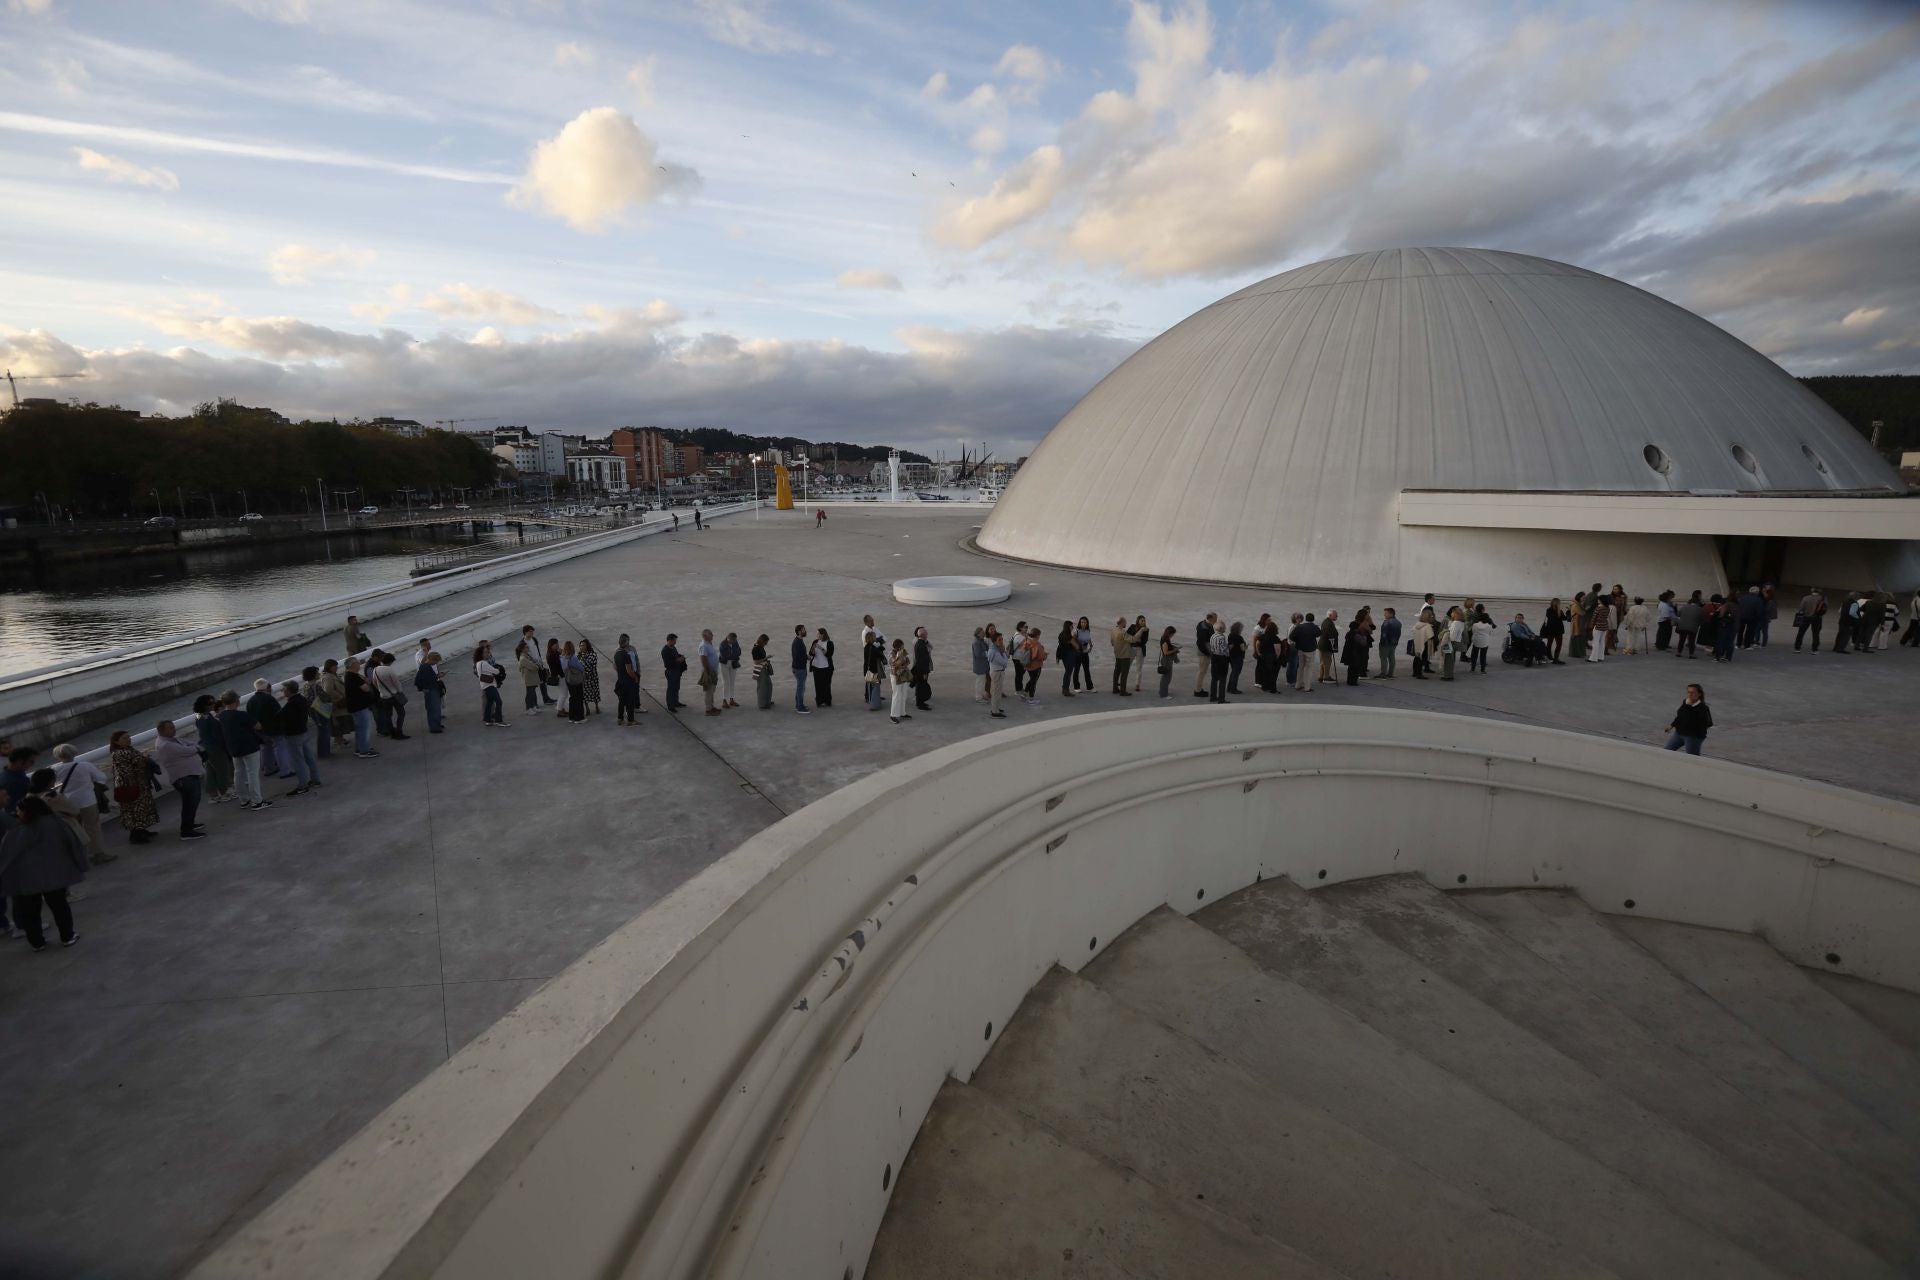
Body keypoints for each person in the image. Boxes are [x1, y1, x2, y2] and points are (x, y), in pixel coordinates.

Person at [0, 796, 88, 950]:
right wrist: (81, 864)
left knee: (30, 911)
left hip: (27, 878)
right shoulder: (57, 823)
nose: (17, 813)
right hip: (55, 874)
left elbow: (6, 856)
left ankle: (37, 942)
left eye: (19, 810)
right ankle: (67, 936)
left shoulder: (15, 830)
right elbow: (73, 844)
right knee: (60, 906)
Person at [51, 743, 113, 862]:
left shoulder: (54, 769)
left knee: (75, 829)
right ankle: (98, 854)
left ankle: (81, 856)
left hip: (68, 803)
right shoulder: (85, 765)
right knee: (93, 828)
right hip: (87, 800)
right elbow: (101, 778)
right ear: (74, 752)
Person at [152, 719, 208, 838]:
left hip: (187, 775)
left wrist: (195, 746)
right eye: (170, 728)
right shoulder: (166, 745)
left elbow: (189, 743)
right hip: (183, 778)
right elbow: (188, 750)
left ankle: (189, 825)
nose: (174, 729)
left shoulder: (171, 740)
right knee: (190, 803)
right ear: (162, 731)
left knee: (191, 802)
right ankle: (186, 831)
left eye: (173, 726)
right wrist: (198, 748)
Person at [218, 690, 270, 809]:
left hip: (233, 748)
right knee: (252, 774)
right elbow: (258, 726)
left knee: (239, 774)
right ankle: (257, 801)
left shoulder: (222, 716)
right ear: (236, 700)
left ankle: (244, 800)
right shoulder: (241, 715)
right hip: (249, 747)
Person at [108, 729, 158, 843]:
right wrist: (144, 760)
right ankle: (136, 835)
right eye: (124, 738)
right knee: (135, 809)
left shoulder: (126, 750)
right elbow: (130, 768)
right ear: (116, 742)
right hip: (131, 786)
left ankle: (141, 830)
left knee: (139, 808)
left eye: (128, 737)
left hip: (136, 785)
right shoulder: (120, 753)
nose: (128, 739)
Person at [277, 681, 320, 793]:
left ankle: (303, 785)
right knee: (309, 757)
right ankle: (315, 780)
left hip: (293, 735)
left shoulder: (291, 704)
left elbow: (280, 717)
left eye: (284, 689)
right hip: (303, 732)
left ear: (289, 691)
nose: (282, 691)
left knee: (298, 761)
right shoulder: (301, 699)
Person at [245, 679, 285, 777]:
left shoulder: (250, 701)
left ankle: (268, 769)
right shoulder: (269, 698)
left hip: (260, 731)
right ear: (268, 687)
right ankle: (285, 769)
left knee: (266, 749)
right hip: (274, 728)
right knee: (280, 747)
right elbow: (279, 713)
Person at [1664, 683, 1713, 756]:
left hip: (1693, 737)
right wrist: (1671, 726)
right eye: (1688, 692)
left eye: (1693, 692)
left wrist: (1689, 707)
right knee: (1665, 752)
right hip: (1679, 734)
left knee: (1692, 758)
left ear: (1699, 694)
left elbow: (1707, 723)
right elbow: (1680, 716)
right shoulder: (1686, 702)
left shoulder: (1703, 708)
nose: (1690, 694)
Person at [343, 657, 378, 757]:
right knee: (364, 729)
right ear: (353, 665)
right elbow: (366, 688)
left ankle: (360, 748)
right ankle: (364, 750)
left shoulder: (350, 675)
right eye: (357, 663)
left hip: (355, 706)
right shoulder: (353, 676)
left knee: (359, 729)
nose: (359, 665)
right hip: (359, 706)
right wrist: (367, 682)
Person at [373, 652, 411, 740]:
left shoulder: (375, 669)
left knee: (388, 715)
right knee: (401, 713)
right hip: (394, 696)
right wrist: (400, 692)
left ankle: (392, 732)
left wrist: (381, 690)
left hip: (383, 696)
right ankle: (399, 731)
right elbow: (396, 683)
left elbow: (374, 683)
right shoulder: (389, 670)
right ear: (390, 661)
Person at [474, 641, 509, 727]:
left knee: (489, 702)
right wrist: (498, 669)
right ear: (481, 654)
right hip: (490, 685)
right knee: (499, 701)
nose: (487, 654)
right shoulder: (484, 663)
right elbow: (496, 671)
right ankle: (499, 720)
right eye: (485, 653)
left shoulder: (478, 663)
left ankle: (488, 719)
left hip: (484, 685)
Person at [317, 659, 350, 749]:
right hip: (336, 703)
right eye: (335, 666)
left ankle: (340, 739)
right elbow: (328, 690)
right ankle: (338, 741)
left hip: (338, 702)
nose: (336, 668)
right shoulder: (327, 677)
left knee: (340, 721)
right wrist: (340, 696)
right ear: (330, 667)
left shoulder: (332, 675)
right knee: (338, 722)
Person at [522, 626, 558, 705]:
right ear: (525, 632)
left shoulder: (534, 639)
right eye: (530, 631)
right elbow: (521, 656)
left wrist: (541, 662)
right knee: (532, 686)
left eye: (532, 631)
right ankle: (533, 705)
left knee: (543, 682)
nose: (532, 633)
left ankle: (546, 699)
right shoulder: (522, 643)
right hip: (531, 667)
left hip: (539, 664)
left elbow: (537, 651)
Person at [614, 634, 643, 724]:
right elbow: (629, 670)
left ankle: (620, 718)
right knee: (630, 701)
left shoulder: (617, 654)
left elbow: (616, 667)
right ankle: (631, 720)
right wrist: (635, 677)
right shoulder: (626, 655)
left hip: (620, 680)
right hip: (628, 681)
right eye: (628, 641)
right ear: (625, 642)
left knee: (622, 701)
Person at [415, 651, 446, 734]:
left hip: (430, 689)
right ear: (432, 659)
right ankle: (434, 727)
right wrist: (438, 676)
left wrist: (436, 676)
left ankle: (436, 724)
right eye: (436, 661)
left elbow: (420, 679)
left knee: (434, 708)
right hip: (431, 690)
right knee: (434, 708)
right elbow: (427, 680)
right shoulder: (426, 667)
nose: (436, 663)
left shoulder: (424, 667)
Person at [1289, 613, 1319, 691]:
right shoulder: (1314, 627)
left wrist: (1298, 641)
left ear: (1305, 618)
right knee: (1308, 668)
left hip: (1301, 649)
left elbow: (1291, 636)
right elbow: (1319, 634)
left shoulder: (1300, 627)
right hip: (1310, 650)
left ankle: (1298, 685)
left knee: (1300, 667)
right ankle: (1307, 687)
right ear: (1313, 619)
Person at [515, 640, 546, 714]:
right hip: (529, 678)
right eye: (526, 647)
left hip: (532, 677)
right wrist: (537, 665)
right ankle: (528, 708)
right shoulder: (523, 658)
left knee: (532, 692)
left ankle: (533, 706)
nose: (528, 648)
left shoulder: (527, 656)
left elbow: (535, 663)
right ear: (522, 649)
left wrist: (536, 664)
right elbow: (534, 667)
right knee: (530, 693)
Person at [1342, 615, 1373, 686]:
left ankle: (1349, 681)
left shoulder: (1349, 633)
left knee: (1350, 668)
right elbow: (1364, 643)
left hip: (1349, 654)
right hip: (1355, 654)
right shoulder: (1356, 634)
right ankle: (1353, 682)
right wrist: (1364, 635)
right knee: (1355, 669)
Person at [887, 637, 913, 723]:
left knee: (903, 695)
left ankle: (902, 712)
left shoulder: (903, 652)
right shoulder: (892, 654)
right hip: (896, 676)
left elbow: (908, 661)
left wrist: (903, 664)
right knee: (897, 695)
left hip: (903, 675)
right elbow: (894, 664)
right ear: (898, 647)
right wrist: (901, 659)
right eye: (902, 646)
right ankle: (893, 715)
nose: (903, 647)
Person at [661, 634, 689, 712]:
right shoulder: (665, 650)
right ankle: (670, 706)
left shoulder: (673, 647)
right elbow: (667, 664)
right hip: (671, 672)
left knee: (676, 687)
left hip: (677, 671)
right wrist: (677, 660)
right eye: (674, 640)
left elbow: (675, 655)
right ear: (670, 640)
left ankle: (676, 702)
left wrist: (680, 657)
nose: (675, 642)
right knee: (671, 689)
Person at [697, 630, 722, 716]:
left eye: (712, 634)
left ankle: (711, 707)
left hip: (713, 671)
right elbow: (703, 658)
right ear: (705, 636)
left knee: (712, 690)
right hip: (709, 671)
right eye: (710, 634)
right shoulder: (703, 645)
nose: (712, 636)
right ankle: (708, 710)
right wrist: (708, 671)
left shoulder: (708, 643)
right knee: (709, 690)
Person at [1192, 612, 1217, 697]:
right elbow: (1201, 643)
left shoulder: (1203, 623)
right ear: (1210, 619)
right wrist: (1208, 654)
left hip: (1204, 651)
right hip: (1204, 653)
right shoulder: (1204, 628)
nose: (1216, 621)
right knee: (1202, 671)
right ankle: (1197, 691)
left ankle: (1198, 689)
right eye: (1215, 619)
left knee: (1202, 671)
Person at [863, 629, 888, 711]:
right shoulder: (873, 648)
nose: (875, 638)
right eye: (874, 637)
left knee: (871, 687)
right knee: (875, 688)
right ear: (871, 638)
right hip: (874, 670)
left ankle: (872, 703)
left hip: (868, 670)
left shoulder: (867, 647)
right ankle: (875, 705)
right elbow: (880, 654)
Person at [1206, 621, 1231, 703]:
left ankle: (1213, 697)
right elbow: (1224, 650)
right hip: (1222, 660)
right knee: (1222, 680)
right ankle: (1221, 699)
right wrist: (1230, 647)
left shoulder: (1212, 636)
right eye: (1224, 627)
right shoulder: (1222, 637)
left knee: (1214, 679)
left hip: (1214, 658)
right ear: (1221, 628)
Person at [986, 630, 1010, 717]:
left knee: (998, 691)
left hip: (997, 672)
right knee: (996, 692)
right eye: (1000, 639)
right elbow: (1004, 662)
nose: (1002, 641)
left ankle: (996, 708)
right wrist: (1004, 652)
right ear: (995, 641)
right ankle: (995, 711)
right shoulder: (995, 651)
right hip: (997, 673)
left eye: (1002, 639)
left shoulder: (995, 649)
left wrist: (1003, 652)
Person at [810, 628, 836, 707]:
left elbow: (829, 654)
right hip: (816, 667)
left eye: (818, 634)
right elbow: (811, 653)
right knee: (818, 685)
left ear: (822, 634)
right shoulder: (815, 642)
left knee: (826, 685)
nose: (817, 635)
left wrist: (821, 648)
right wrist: (813, 649)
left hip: (826, 668)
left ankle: (827, 701)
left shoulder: (829, 643)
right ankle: (819, 701)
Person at [1735, 586, 1766, 650]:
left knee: (1740, 631)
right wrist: (1759, 618)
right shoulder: (1758, 599)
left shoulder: (1743, 597)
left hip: (1742, 616)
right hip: (1752, 618)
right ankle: (1747, 645)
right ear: (1757, 592)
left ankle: (1738, 644)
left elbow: (1739, 606)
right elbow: (1759, 610)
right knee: (1749, 632)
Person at [789, 625, 811, 714]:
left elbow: (801, 654)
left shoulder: (799, 641)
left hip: (799, 668)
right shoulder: (797, 643)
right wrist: (806, 658)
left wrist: (806, 656)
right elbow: (797, 656)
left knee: (800, 687)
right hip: (799, 669)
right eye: (803, 630)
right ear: (799, 631)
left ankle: (798, 704)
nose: (805, 631)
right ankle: (799, 707)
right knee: (801, 688)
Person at [1584, 585, 1609, 663]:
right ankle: (1600, 657)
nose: (1598, 600)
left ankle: (1593, 658)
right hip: (1604, 626)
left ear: (1601, 600)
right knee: (1602, 642)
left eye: (1599, 599)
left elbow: (1594, 618)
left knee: (1595, 643)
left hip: (1597, 626)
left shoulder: (1598, 608)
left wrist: (1591, 625)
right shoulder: (1607, 608)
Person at [1674, 592, 1703, 658]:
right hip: (1693, 627)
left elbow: (1678, 615)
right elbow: (1702, 619)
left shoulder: (1683, 607)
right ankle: (1691, 654)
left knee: (1682, 640)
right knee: (1691, 640)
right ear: (1698, 602)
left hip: (1682, 626)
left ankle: (1679, 652)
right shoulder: (1700, 609)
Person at [1056, 622, 1081, 698]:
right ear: (1068, 627)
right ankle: (1065, 689)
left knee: (1067, 671)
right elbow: (1077, 647)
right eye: (1071, 626)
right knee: (1068, 672)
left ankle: (1065, 689)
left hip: (1063, 654)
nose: (1073, 627)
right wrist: (1074, 637)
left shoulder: (1061, 634)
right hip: (1070, 655)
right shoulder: (1069, 636)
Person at [1109, 618, 1133, 695]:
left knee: (1116, 672)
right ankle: (1123, 691)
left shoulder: (1113, 630)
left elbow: (1112, 642)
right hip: (1125, 655)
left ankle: (1115, 688)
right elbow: (1132, 640)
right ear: (1122, 623)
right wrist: (1140, 632)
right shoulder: (1123, 632)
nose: (1126, 624)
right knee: (1124, 673)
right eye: (1125, 622)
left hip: (1117, 654)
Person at [912, 627, 934, 710]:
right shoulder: (920, 645)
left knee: (921, 686)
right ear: (923, 635)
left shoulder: (921, 643)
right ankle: (920, 704)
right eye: (926, 633)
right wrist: (924, 672)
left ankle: (921, 702)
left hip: (921, 669)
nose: (927, 634)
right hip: (922, 670)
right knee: (921, 686)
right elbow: (921, 660)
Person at [578, 638, 602, 715]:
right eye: (580, 645)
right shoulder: (578, 655)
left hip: (592, 677)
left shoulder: (593, 654)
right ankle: (587, 709)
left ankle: (597, 707)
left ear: (587, 646)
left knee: (595, 692)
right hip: (583, 679)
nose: (581, 647)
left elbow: (593, 666)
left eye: (583, 645)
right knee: (584, 694)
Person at [719, 632, 742, 709]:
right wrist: (733, 654)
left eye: (735, 640)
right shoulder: (722, 644)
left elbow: (739, 652)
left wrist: (732, 654)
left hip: (733, 663)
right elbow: (725, 655)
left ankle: (731, 699)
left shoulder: (735, 642)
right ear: (728, 638)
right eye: (732, 640)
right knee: (726, 682)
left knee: (732, 681)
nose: (734, 642)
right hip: (724, 664)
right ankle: (724, 700)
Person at [1409, 608, 1434, 679]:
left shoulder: (1417, 624)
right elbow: (1431, 636)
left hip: (1416, 642)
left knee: (1417, 657)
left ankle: (1415, 672)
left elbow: (1413, 631)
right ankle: (1419, 674)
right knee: (1422, 658)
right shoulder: (1427, 626)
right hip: (1424, 643)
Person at [1156, 626, 1180, 698]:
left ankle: (1162, 691)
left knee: (1167, 677)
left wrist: (1174, 648)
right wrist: (1175, 650)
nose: (1173, 635)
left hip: (1167, 660)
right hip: (1166, 660)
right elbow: (1166, 652)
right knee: (1166, 678)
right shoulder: (1165, 641)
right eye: (1173, 634)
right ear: (1170, 633)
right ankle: (1163, 694)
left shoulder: (1165, 639)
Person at [751, 635, 774, 709]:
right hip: (760, 669)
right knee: (762, 687)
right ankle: (762, 704)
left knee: (768, 685)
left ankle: (767, 701)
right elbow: (755, 662)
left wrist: (765, 659)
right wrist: (765, 658)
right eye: (766, 642)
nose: (766, 643)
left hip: (763, 668)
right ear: (762, 641)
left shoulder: (760, 647)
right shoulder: (755, 649)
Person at [1441, 607, 1464, 681]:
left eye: (1452, 613)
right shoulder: (1461, 622)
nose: (1451, 614)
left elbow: (1452, 637)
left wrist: (1446, 633)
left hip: (1451, 643)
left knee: (1448, 660)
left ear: (1455, 614)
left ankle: (1448, 676)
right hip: (1457, 642)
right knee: (1451, 659)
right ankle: (1449, 674)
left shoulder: (1455, 623)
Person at [1376, 608, 1400, 679]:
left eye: (1386, 613)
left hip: (1386, 643)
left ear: (1391, 614)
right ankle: (1390, 673)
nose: (1384, 614)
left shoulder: (1387, 622)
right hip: (1394, 643)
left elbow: (1384, 634)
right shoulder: (1398, 622)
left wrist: (1382, 643)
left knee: (1383, 658)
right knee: (1392, 658)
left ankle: (1383, 674)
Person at [1540, 598, 1566, 663]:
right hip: (1557, 631)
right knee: (1558, 644)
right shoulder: (1557, 611)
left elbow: (1564, 618)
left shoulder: (1549, 610)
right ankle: (1555, 658)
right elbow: (1563, 618)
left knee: (1550, 644)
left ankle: (1551, 657)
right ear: (1557, 603)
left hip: (1551, 630)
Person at [1317, 610, 1339, 683]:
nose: (1337, 616)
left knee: (1323, 662)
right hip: (1326, 646)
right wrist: (1333, 647)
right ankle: (1326, 677)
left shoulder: (1326, 621)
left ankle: (1321, 676)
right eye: (1335, 615)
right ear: (1330, 615)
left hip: (1323, 645)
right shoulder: (1328, 623)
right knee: (1327, 662)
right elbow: (1330, 636)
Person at [1226, 620, 1248, 694]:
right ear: (1238, 629)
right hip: (1238, 657)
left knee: (1233, 672)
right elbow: (1242, 648)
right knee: (1236, 673)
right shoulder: (1239, 638)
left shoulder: (1230, 635)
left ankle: (1229, 687)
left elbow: (1230, 646)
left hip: (1231, 656)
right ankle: (1233, 689)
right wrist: (1246, 647)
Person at [1074, 616, 1095, 691]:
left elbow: (1089, 639)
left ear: (1087, 623)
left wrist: (1091, 646)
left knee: (1087, 670)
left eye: (1085, 622)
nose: (1083, 623)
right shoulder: (1076, 631)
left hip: (1085, 653)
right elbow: (1073, 642)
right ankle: (1076, 687)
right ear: (1080, 623)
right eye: (1082, 622)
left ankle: (1089, 687)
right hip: (1078, 654)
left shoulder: (1087, 630)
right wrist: (1079, 647)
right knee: (1077, 670)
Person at [971, 628, 991, 702]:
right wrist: (987, 653)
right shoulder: (977, 642)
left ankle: (981, 694)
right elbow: (978, 654)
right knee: (980, 681)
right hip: (980, 666)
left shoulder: (981, 641)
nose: (984, 633)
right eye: (982, 632)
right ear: (978, 634)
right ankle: (978, 697)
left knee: (982, 681)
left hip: (983, 665)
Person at [1131, 615, 1149, 693]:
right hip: (1131, 649)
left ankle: (1137, 685)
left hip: (1140, 650)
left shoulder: (1146, 630)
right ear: (1138, 621)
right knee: (1126, 666)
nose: (1143, 622)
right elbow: (1129, 637)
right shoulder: (1132, 627)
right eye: (1142, 620)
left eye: (1144, 621)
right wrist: (1136, 639)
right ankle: (1121, 682)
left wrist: (1136, 639)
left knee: (1139, 668)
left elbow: (1144, 641)